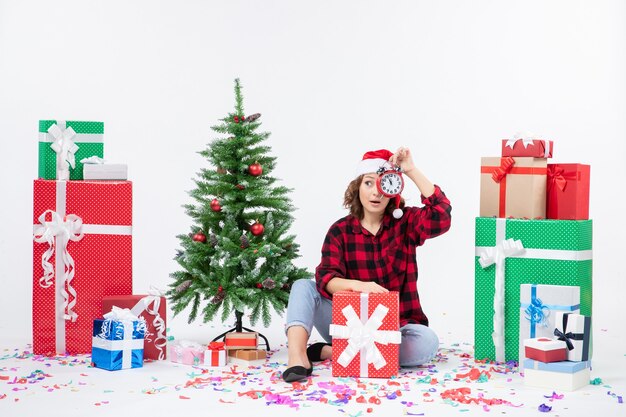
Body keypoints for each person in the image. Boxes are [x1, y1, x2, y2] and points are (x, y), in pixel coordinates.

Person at [282, 147, 452, 382]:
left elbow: (441, 216)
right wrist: (361, 286)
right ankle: (298, 356)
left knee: (427, 343)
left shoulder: (406, 223)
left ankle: (334, 352)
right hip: (348, 325)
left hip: (394, 329)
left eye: (384, 186)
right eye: (369, 184)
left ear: (393, 191)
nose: (376, 194)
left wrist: (410, 170)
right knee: (303, 286)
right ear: (357, 187)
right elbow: (326, 279)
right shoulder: (340, 230)